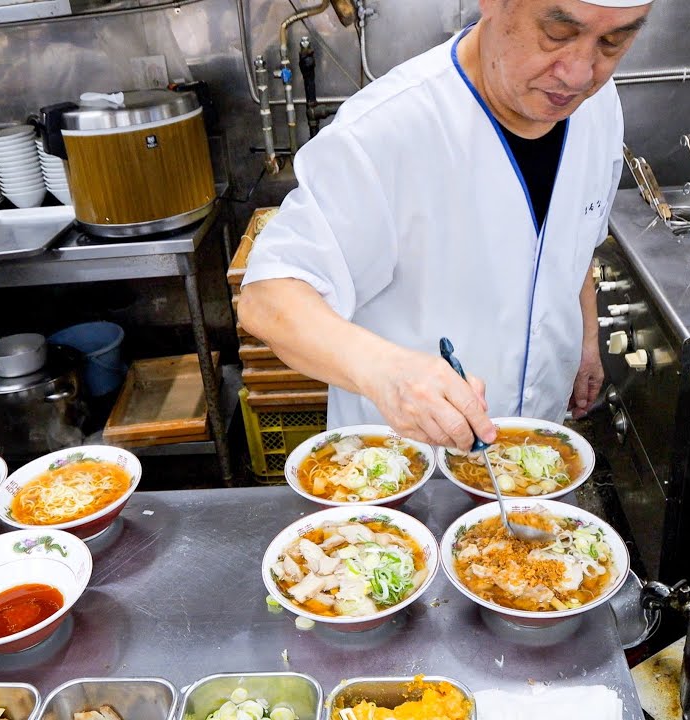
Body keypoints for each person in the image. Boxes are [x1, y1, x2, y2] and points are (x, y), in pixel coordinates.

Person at [238, 0, 653, 450]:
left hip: (533, 457)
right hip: (402, 469)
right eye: (556, 33)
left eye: (613, 42)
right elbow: (268, 297)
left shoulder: (599, 107)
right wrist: (386, 372)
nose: (578, 74)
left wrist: (587, 341)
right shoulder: (384, 130)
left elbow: (576, 242)